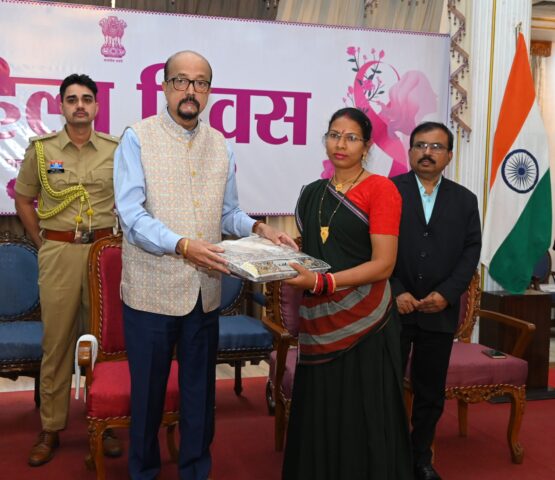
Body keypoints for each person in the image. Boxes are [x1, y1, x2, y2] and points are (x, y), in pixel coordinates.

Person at [113, 50, 296, 480]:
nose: (190, 91)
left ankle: (195, 470)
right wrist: (181, 245)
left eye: (200, 83)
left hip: (204, 295)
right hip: (151, 293)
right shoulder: (137, 138)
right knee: (148, 396)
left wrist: (259, 228)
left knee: (200, 396)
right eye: (181, 81)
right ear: (164, 87)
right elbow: (131, 215)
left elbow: (227, 214)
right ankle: (144, 472)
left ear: (209, 91)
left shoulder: (221, 144)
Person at [282, 107, 413, 480]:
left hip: (366, 321)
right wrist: (276, 254)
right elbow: (312, 250)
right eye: (334, 135)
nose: (341, 144)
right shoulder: (312, 193)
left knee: (362, 412)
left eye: (351, 138)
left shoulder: (381, 189)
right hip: (318, 323)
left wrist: (324, 283)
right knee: (321, 408)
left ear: (367, 146)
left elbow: (384, 264)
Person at [14, 74, 122, 466]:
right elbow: (23, 198)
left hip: (104, 256)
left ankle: (105, 421)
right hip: (59, 253)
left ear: (96, 107)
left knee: (104, 344)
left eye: (87, 99)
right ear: (61, 106)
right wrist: (43, 242)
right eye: (72, 99)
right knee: (57, 343)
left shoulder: (115, 149)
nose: (80, 105)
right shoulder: (42, 151)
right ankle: (51, 427)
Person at [391, 122, 481, 480]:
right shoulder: (388, 191)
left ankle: (421, 459)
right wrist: (396, 290)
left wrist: (447, 293)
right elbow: (372, 245)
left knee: (430, 392)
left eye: (436, 147)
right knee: (387, 387)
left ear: (449, 156)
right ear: (410, 151)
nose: (427, 153)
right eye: (420, 145)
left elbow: (471, 252)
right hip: (393, 309)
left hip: (439, 311)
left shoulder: (465, 200)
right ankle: (389, 456)